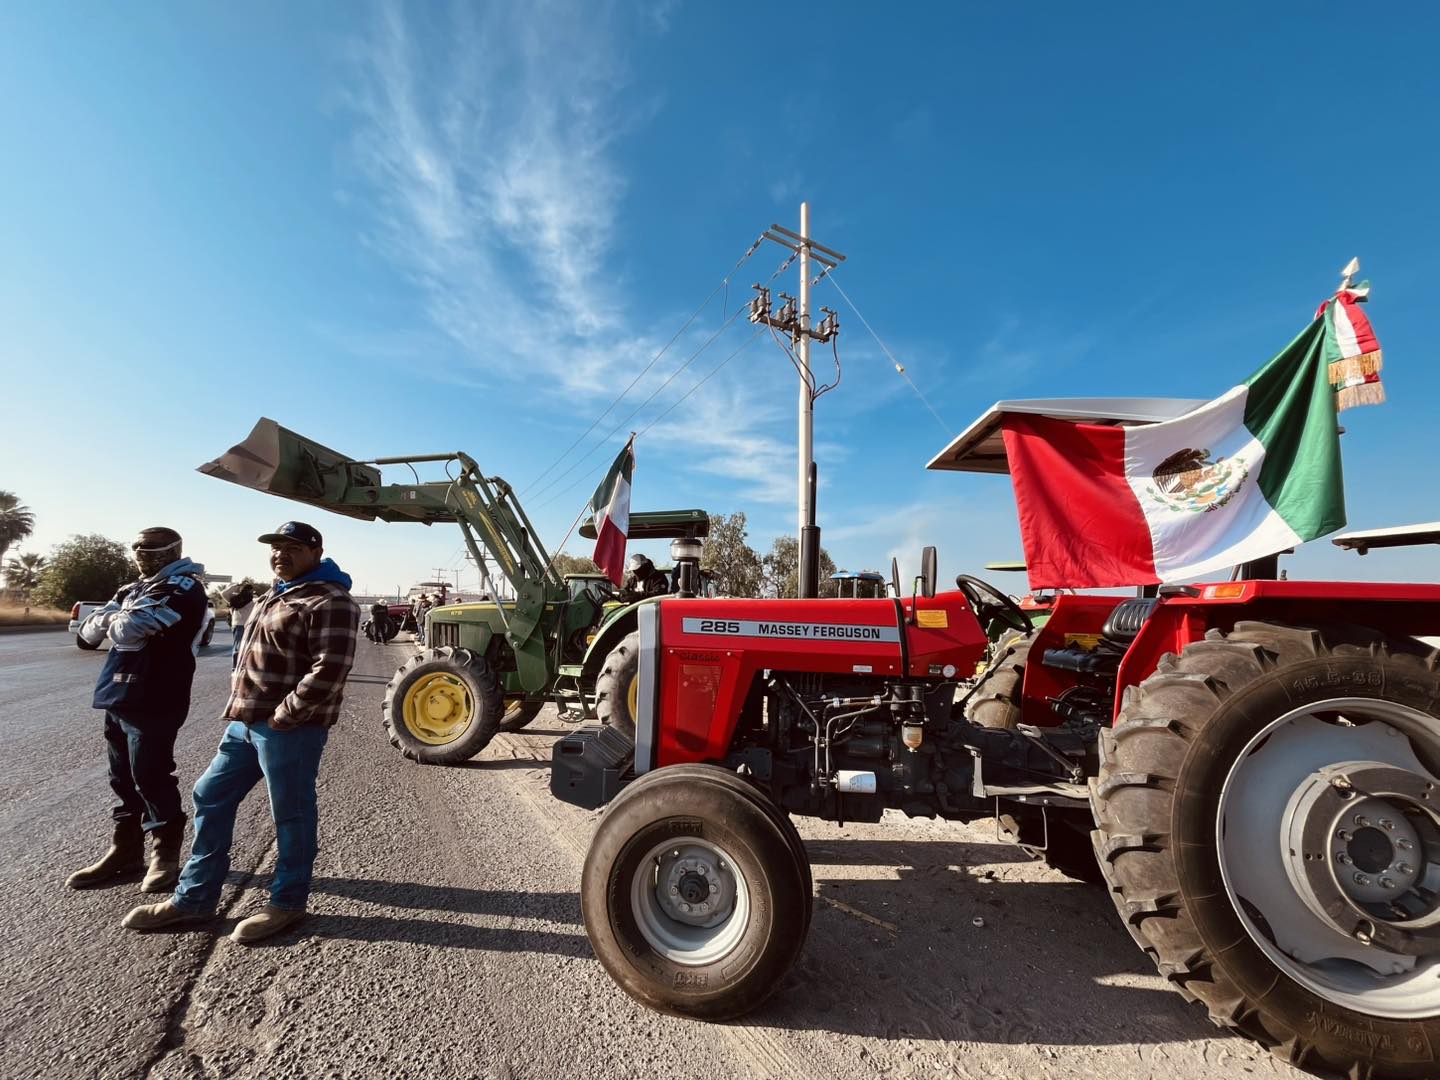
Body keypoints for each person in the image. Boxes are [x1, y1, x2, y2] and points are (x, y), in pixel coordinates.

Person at [122, 520, 359, 944]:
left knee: (291, 814)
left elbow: (331, 668)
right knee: (209, 794)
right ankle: (194, 898)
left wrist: (286, 715)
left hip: (288, 729)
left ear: (315, 551)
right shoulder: (277, 592)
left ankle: (286, 902)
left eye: (291, 548)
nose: (279, 554)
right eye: (275, 547)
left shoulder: (330, 599)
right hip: (245, 725)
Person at [68, 527, 208, 894]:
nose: (143, 556)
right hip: (117, 692)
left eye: (152, 549)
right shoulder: (133, 590)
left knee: (151, 774)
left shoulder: (184, 587)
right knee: (121, 777)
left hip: (157, 693)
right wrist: (116, 619)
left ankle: (166, 853)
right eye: (140, 549)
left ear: (173, 550)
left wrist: (113, 618)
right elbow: (87, 635)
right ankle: (126, 848)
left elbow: (132, 627)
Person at [222, 581, 256, 669]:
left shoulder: (233, 598)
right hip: (246, 625)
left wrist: (236, 586)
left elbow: (223, 593)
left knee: (238, 647)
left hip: (238, 625)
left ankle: (237, 667)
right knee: (245, 647)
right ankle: (239, 668)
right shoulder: (253, 599)